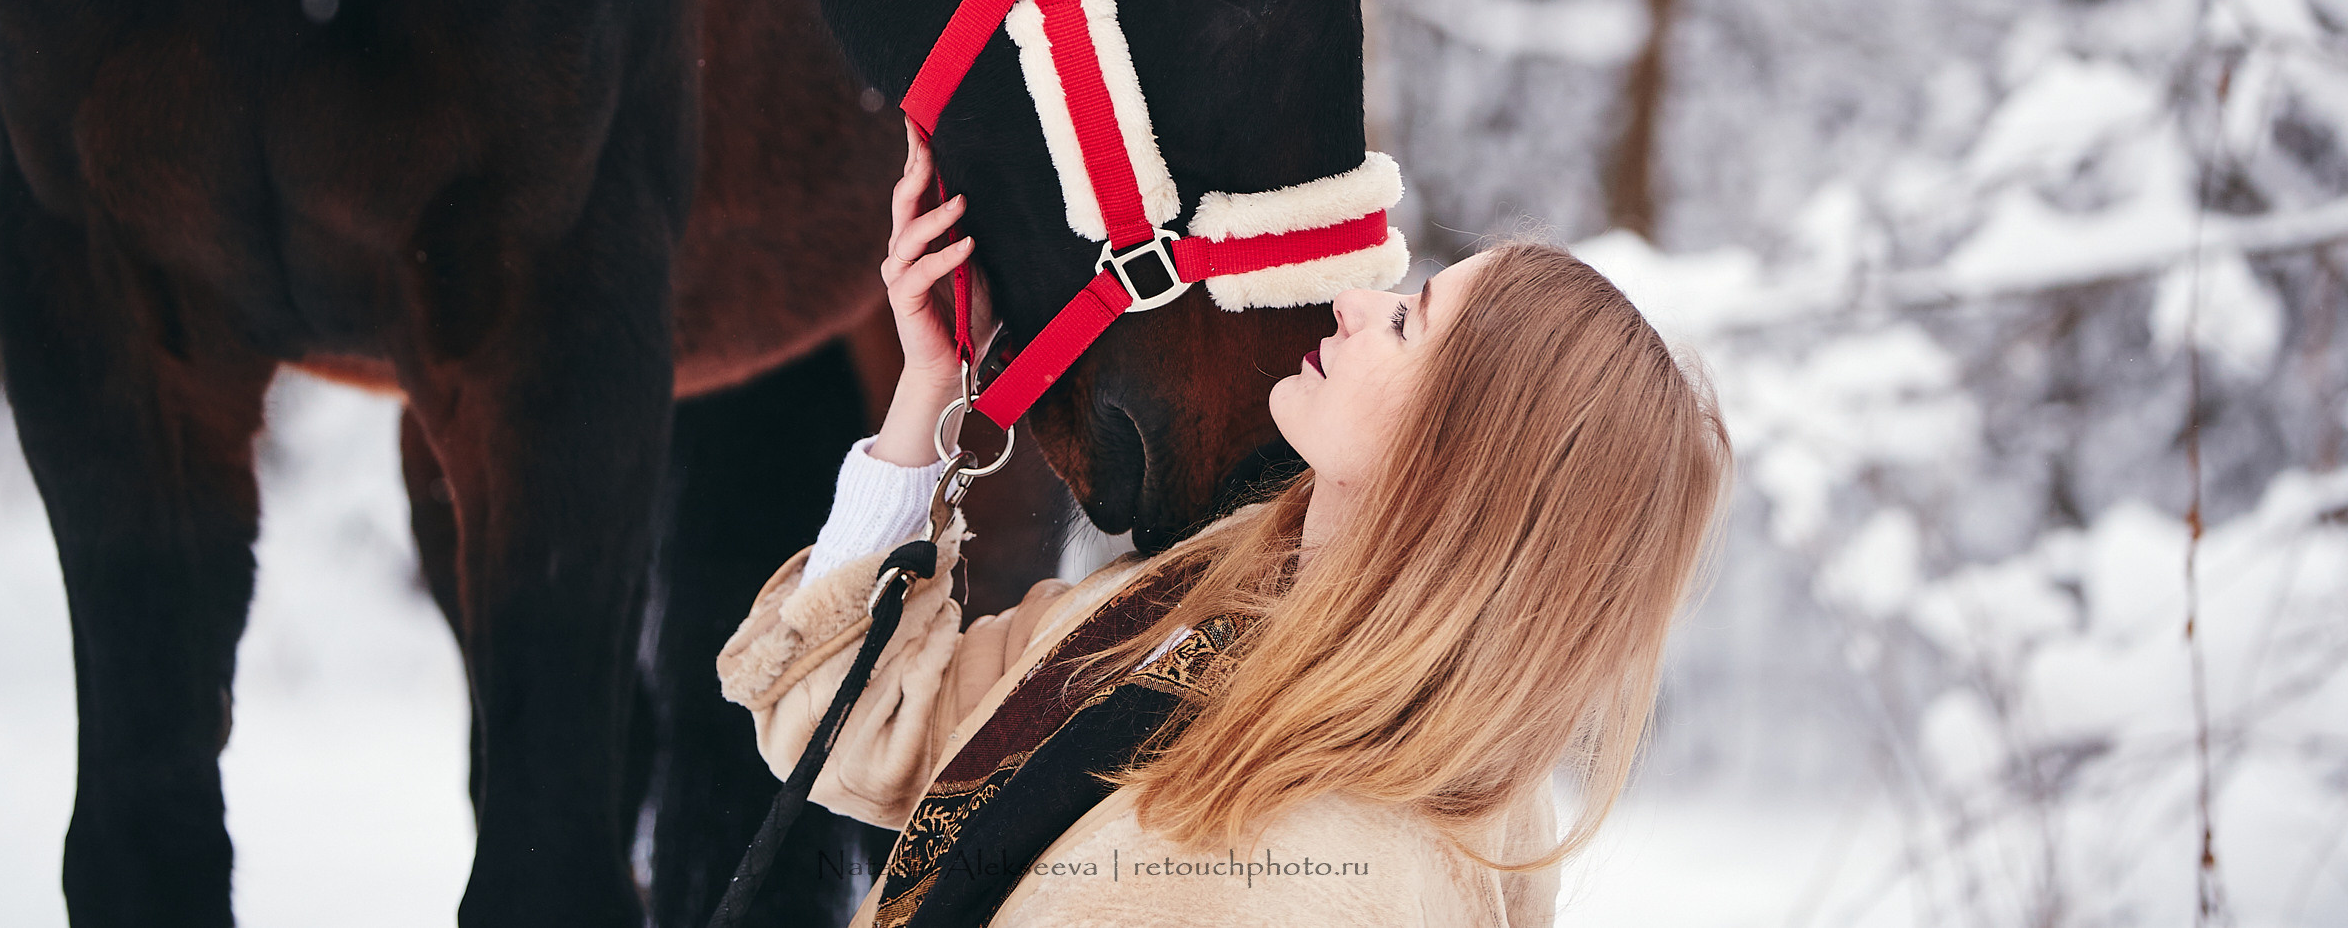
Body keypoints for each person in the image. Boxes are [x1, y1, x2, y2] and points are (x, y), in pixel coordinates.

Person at [718, 123, 1733, 927]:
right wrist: (930, 387)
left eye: (1408, 320)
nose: (1350, 302)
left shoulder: (1330, 862)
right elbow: (849, 717)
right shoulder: (1214, 602)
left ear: (1467, 460)